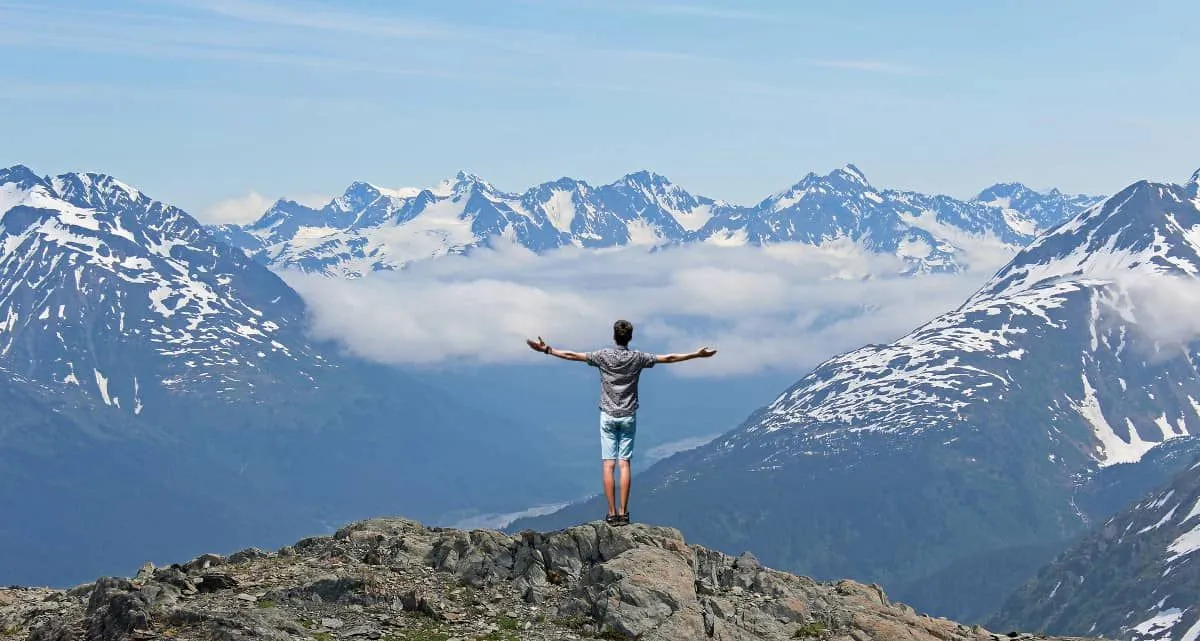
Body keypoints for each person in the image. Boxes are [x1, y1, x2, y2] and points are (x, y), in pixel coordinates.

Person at [525, 320, 716, 526]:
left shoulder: (603, 356)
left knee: (608, 465)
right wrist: (696, 355)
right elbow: (668, 358)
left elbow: (572, 355)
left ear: (614, 336)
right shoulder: (638, 358)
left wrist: (547, 349)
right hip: (628, 415)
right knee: (624, 464)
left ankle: (611, 513)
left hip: (607, 415)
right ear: (630, 337)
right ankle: (624, 514)